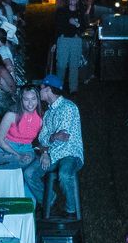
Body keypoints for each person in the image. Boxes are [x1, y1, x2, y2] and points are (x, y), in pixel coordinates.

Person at [26, 75, 84, 219]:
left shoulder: (69, 107)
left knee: (65, 174)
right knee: (29, 173)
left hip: (69, 153)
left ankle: (71, 210)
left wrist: (50, 140)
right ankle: (49, 200)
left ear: (48, 89)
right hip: (51, 155)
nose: (39, 92)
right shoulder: (47, 114)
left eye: (41, 89)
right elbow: (43, 139)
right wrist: (45, 151)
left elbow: (63, 137)